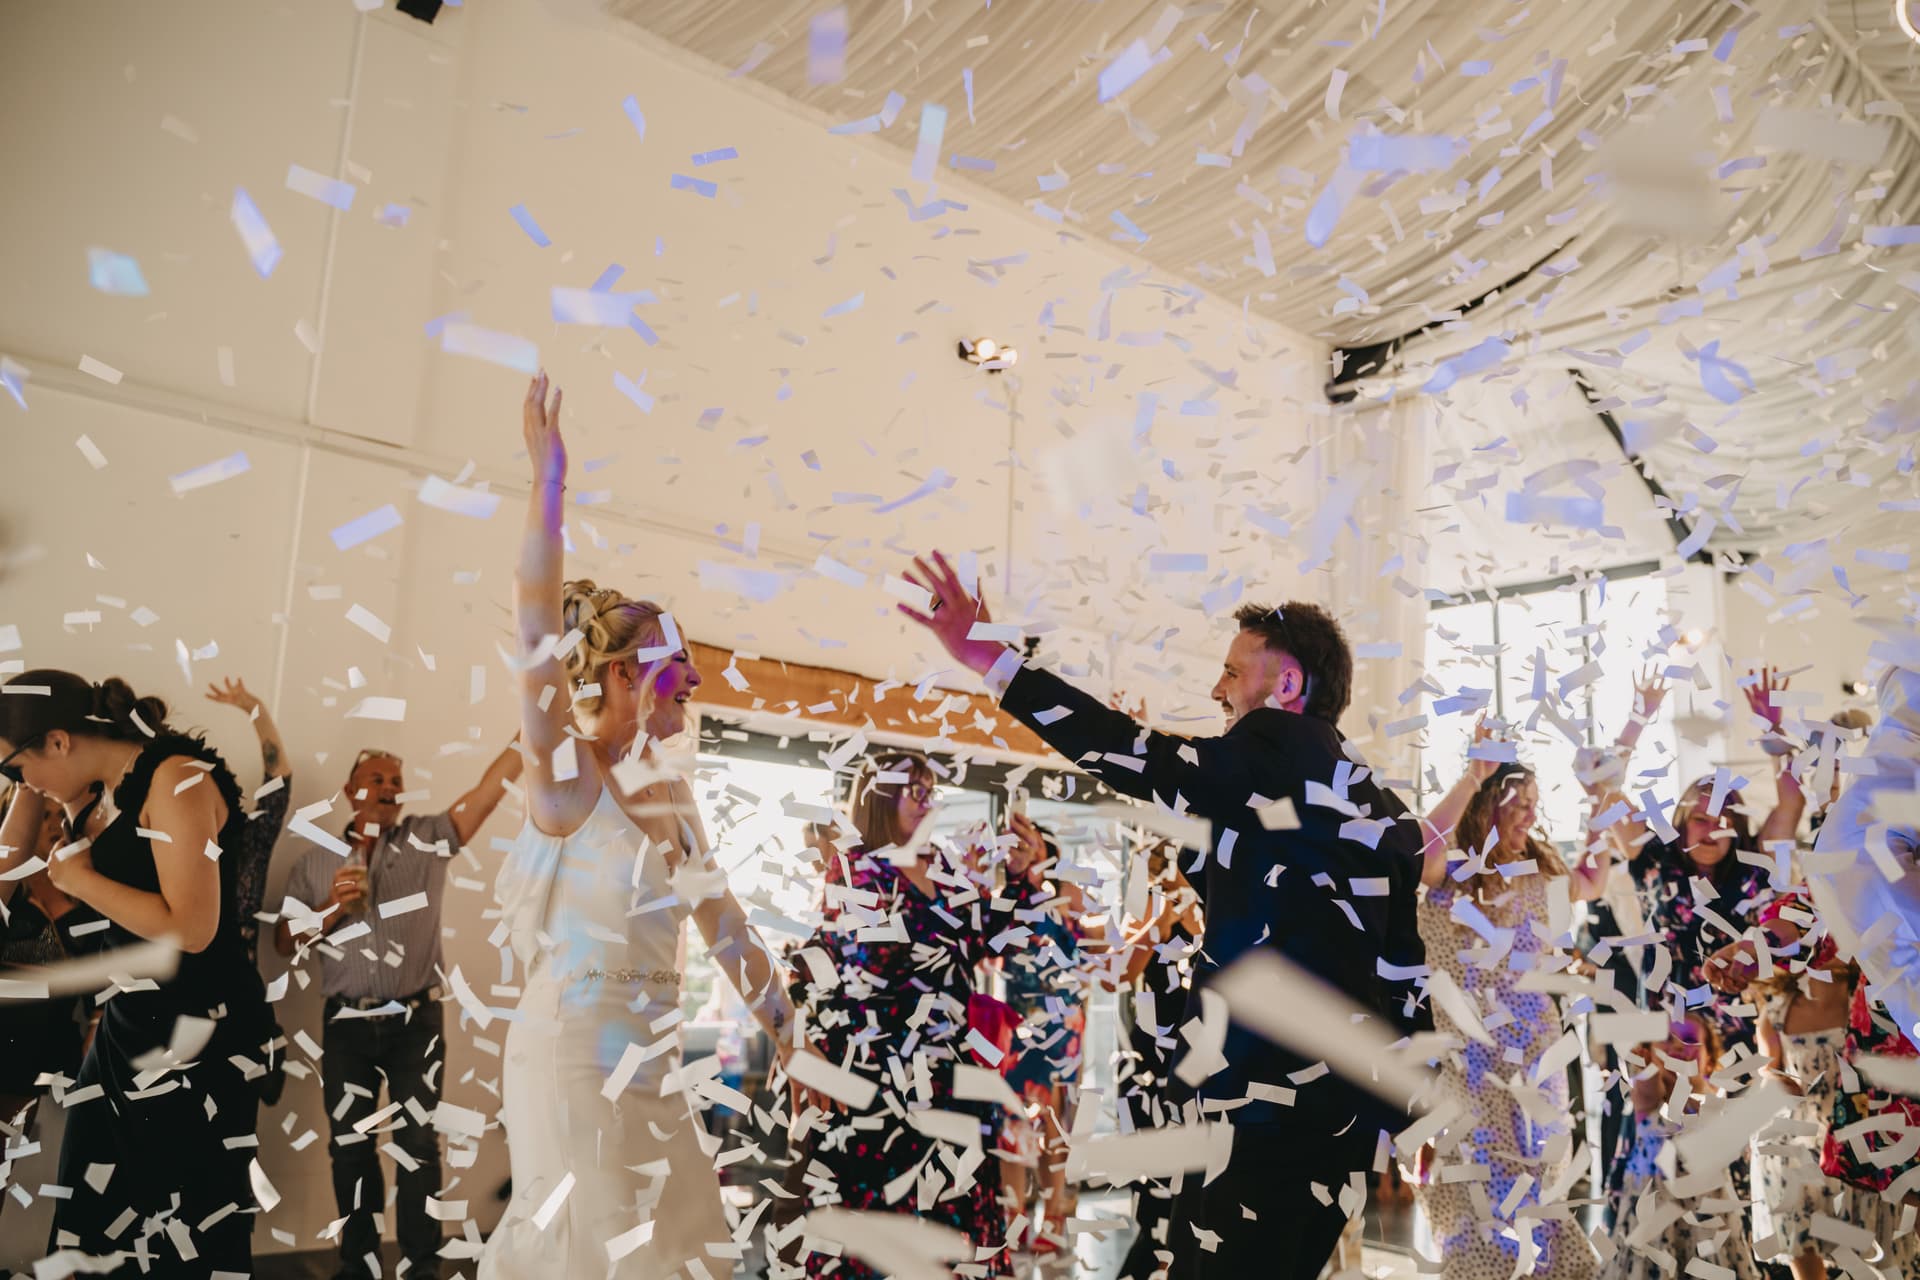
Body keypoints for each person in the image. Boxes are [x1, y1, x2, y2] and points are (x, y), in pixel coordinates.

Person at [898, 552, 1431, 1280]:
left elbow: (1131, 754)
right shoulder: (1383, 812)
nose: (1218, 689)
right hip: (1341, 1126)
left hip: (1257, 1113)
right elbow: (1401, 965)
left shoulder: (1272, 746)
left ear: (1287, 686)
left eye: (1233, 672)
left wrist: (993, 662)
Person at [483, 371, 818, 1279]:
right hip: (568, 1058)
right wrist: (547, 485)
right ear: (627, 673)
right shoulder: (567, 779)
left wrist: (793, 1038)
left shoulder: (671, 794)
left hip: (653, 1059)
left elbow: (730, 928)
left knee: (680, 1246)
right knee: (601, 1253)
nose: (698, 691)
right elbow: (531, 629)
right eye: (682, 671)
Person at [0, 670, 275, 1274]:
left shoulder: (176, 777)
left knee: (183, 1220)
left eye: (19, 769)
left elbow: (194, 928)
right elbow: (5, 869)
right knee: (91, 1209)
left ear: (60, 741)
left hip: (198, 1031)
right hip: (129, 1025)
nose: (23, 785)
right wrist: (21, 773)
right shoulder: (93, 790)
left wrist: (82, 882)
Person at [781, 750, 1043, 1279]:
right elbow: (835, 970)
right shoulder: (859, 869)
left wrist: (1021, 878)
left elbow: (995, 940)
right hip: (882, 1082)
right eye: (914, 791)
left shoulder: (943, 869)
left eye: (931, 792)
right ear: (882, 796)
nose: (928, 804)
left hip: (950, 1078)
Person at [276, 731, 522, 1280]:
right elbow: (283, 941)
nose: (389, 788)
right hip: (346, 1024)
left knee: (417, 1146)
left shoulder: (428, 840)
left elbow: (485, 793)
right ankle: (358, 1266)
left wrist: (527, 735)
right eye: (378, 779)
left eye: (396, 782)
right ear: (350, 791)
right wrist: (330, 911)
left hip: (417, 1021)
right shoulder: (316, 862)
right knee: (350, 1148)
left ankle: (420, 1267)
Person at [1409, 743, 1607, 1279]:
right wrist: (1471, 775)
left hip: (1537, 1063)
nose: (1531, 815)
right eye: (1518, 803)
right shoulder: (1451, 871)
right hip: (1471, 1069)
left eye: (1534, 805)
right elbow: (1417, 849)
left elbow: (1592, 882)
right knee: (1479, 1198)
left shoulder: (1538, 872)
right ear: (1486, 806)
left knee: (1537, 1194)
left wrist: (1601, 805)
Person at [1599, 1012, 1764, 1280]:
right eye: (1665, 1040)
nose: (1677, 1046)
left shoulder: (1713, 1098)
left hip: (1705, 1212)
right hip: (1655, 1210)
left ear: (1709, 1059)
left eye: (1689, 1040)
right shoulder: (1647, 1091)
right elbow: (1648, 1090)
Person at [1111, 840, 1202, 1280]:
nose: (1164, 876)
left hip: (1197, 1084)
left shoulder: (1214, 916)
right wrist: (1157, 924)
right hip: (1148, 1080)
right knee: (1154, 1216)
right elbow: (1119, 974)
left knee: (1189, 1215)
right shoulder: (1149, 914)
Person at [997, 823, 1090, 1255]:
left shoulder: (1065, 890)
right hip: (1018, 1022)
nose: (1017, 851)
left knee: (1054, 1123)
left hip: (1061, 1026)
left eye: (1025, 844)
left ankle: (1054, 1218)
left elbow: (1096, 946)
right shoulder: (1009, 896)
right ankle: (1015, 1221)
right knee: (1013, 1124)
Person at [204, 676, 293, 967]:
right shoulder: (168, 849)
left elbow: (278, 780)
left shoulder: (250, 843)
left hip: (242, 998)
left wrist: (254, 708)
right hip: (180, 1001)